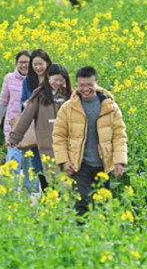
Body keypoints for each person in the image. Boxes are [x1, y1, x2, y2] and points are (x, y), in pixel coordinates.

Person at [52, 66, 128, 220]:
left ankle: (99, 240)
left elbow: (119, 136)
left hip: (103, 164)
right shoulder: (68, 108)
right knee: (80, 203)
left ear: (96, 83)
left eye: (89, 85)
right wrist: (64, 161)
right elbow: (59, 136)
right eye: (81, 85)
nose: (86, 89)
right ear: (76, 85)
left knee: (101, 205)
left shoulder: (110, 107)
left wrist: (119, 161)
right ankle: (81, 239)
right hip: (80, 165)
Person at [8, 64, 73, 192]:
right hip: (46, 143)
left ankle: (65, 208)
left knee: (67, 179)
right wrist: (15, 137)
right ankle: (50, 206)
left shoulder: (68, 95)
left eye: (61, 80)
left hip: (67, 144)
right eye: (55, 79)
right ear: (48, 77)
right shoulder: (39, 95)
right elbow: (26, 117)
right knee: (51, 179)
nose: (58, 83)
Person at [0, 50, 31, 176]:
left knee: (30, 162)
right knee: (13, 157)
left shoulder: (36, 80)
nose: (24, 65)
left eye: (27, 62)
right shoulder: (9, 78)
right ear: (16, 63)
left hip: (31, 126)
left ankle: (29, 192)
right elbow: (3, 100)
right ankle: (8, 191)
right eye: (21, 62)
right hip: (13, 125)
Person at [20, 48, 52, 193]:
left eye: (41, 64)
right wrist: (26, 104)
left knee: (49, 163)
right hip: (33, 129)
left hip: (49, 128)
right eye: (35, 65)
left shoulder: (54, 79)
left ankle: (48, 196)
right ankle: (37, 194)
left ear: (47, 63)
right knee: (35, 162)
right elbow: (21, 101)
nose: (38, 68)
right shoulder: (28, 81)